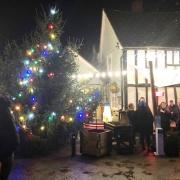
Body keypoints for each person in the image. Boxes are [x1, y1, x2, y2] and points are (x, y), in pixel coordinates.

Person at [0, 95, 19, 180]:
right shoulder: (6, 109)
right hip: (7, 151)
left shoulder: (5, 110)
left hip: (6, 151)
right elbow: (14, 137)